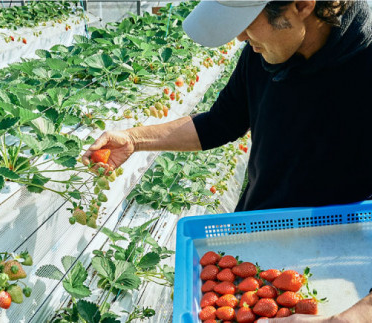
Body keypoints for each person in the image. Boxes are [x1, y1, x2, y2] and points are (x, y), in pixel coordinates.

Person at [82, 0, 372, 321]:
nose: (239, 38)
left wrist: (347, 318)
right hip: (257, 237)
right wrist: (135, 139)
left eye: (248, 21)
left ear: (302, 5)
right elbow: (222, 122)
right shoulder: (264, 52)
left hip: (349, 260)